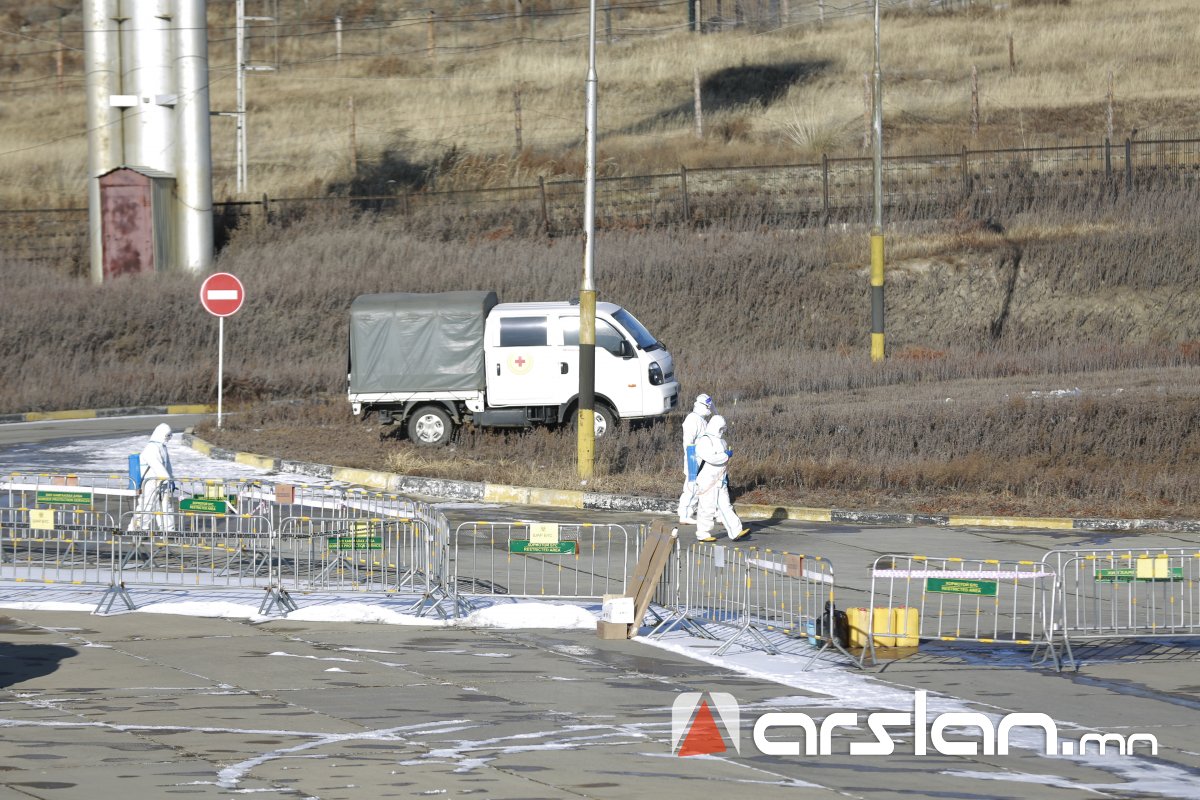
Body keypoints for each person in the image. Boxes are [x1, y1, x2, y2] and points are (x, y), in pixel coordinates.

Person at [693, 414, 748, 543]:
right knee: (707, 507)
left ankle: (736, 531)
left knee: (726, 506)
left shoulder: (722, 441)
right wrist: (725, 455)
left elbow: (722, 462)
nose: (722, 431)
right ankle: (703, 533)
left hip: (720, 479)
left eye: (723, 428)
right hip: (707, 481)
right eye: (720, 428)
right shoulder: (704, 440)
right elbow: (711, 458)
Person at [128, 423, 177, 533]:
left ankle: (168, 530)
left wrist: (171, 479)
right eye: (167, 436)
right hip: (150, 482)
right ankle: (137, 528)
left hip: (162, 481)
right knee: (146, 505)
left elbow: (167, 465)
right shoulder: (151, 448)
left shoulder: (162, 447)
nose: (168, 438)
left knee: (164, 505)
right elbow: (156, 465)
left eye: (170, 436)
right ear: (161, 434)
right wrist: (166, 477)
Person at [677, 393, 714, 525]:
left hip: (702, 459)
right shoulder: (692, 419)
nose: (709, 410)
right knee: (691, 487)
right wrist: (692, 460)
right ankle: (684, 514)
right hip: (693, 458)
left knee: (698, 487)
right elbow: (688, 442)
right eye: (708, 407)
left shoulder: (702, 420)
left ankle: (690, 512)